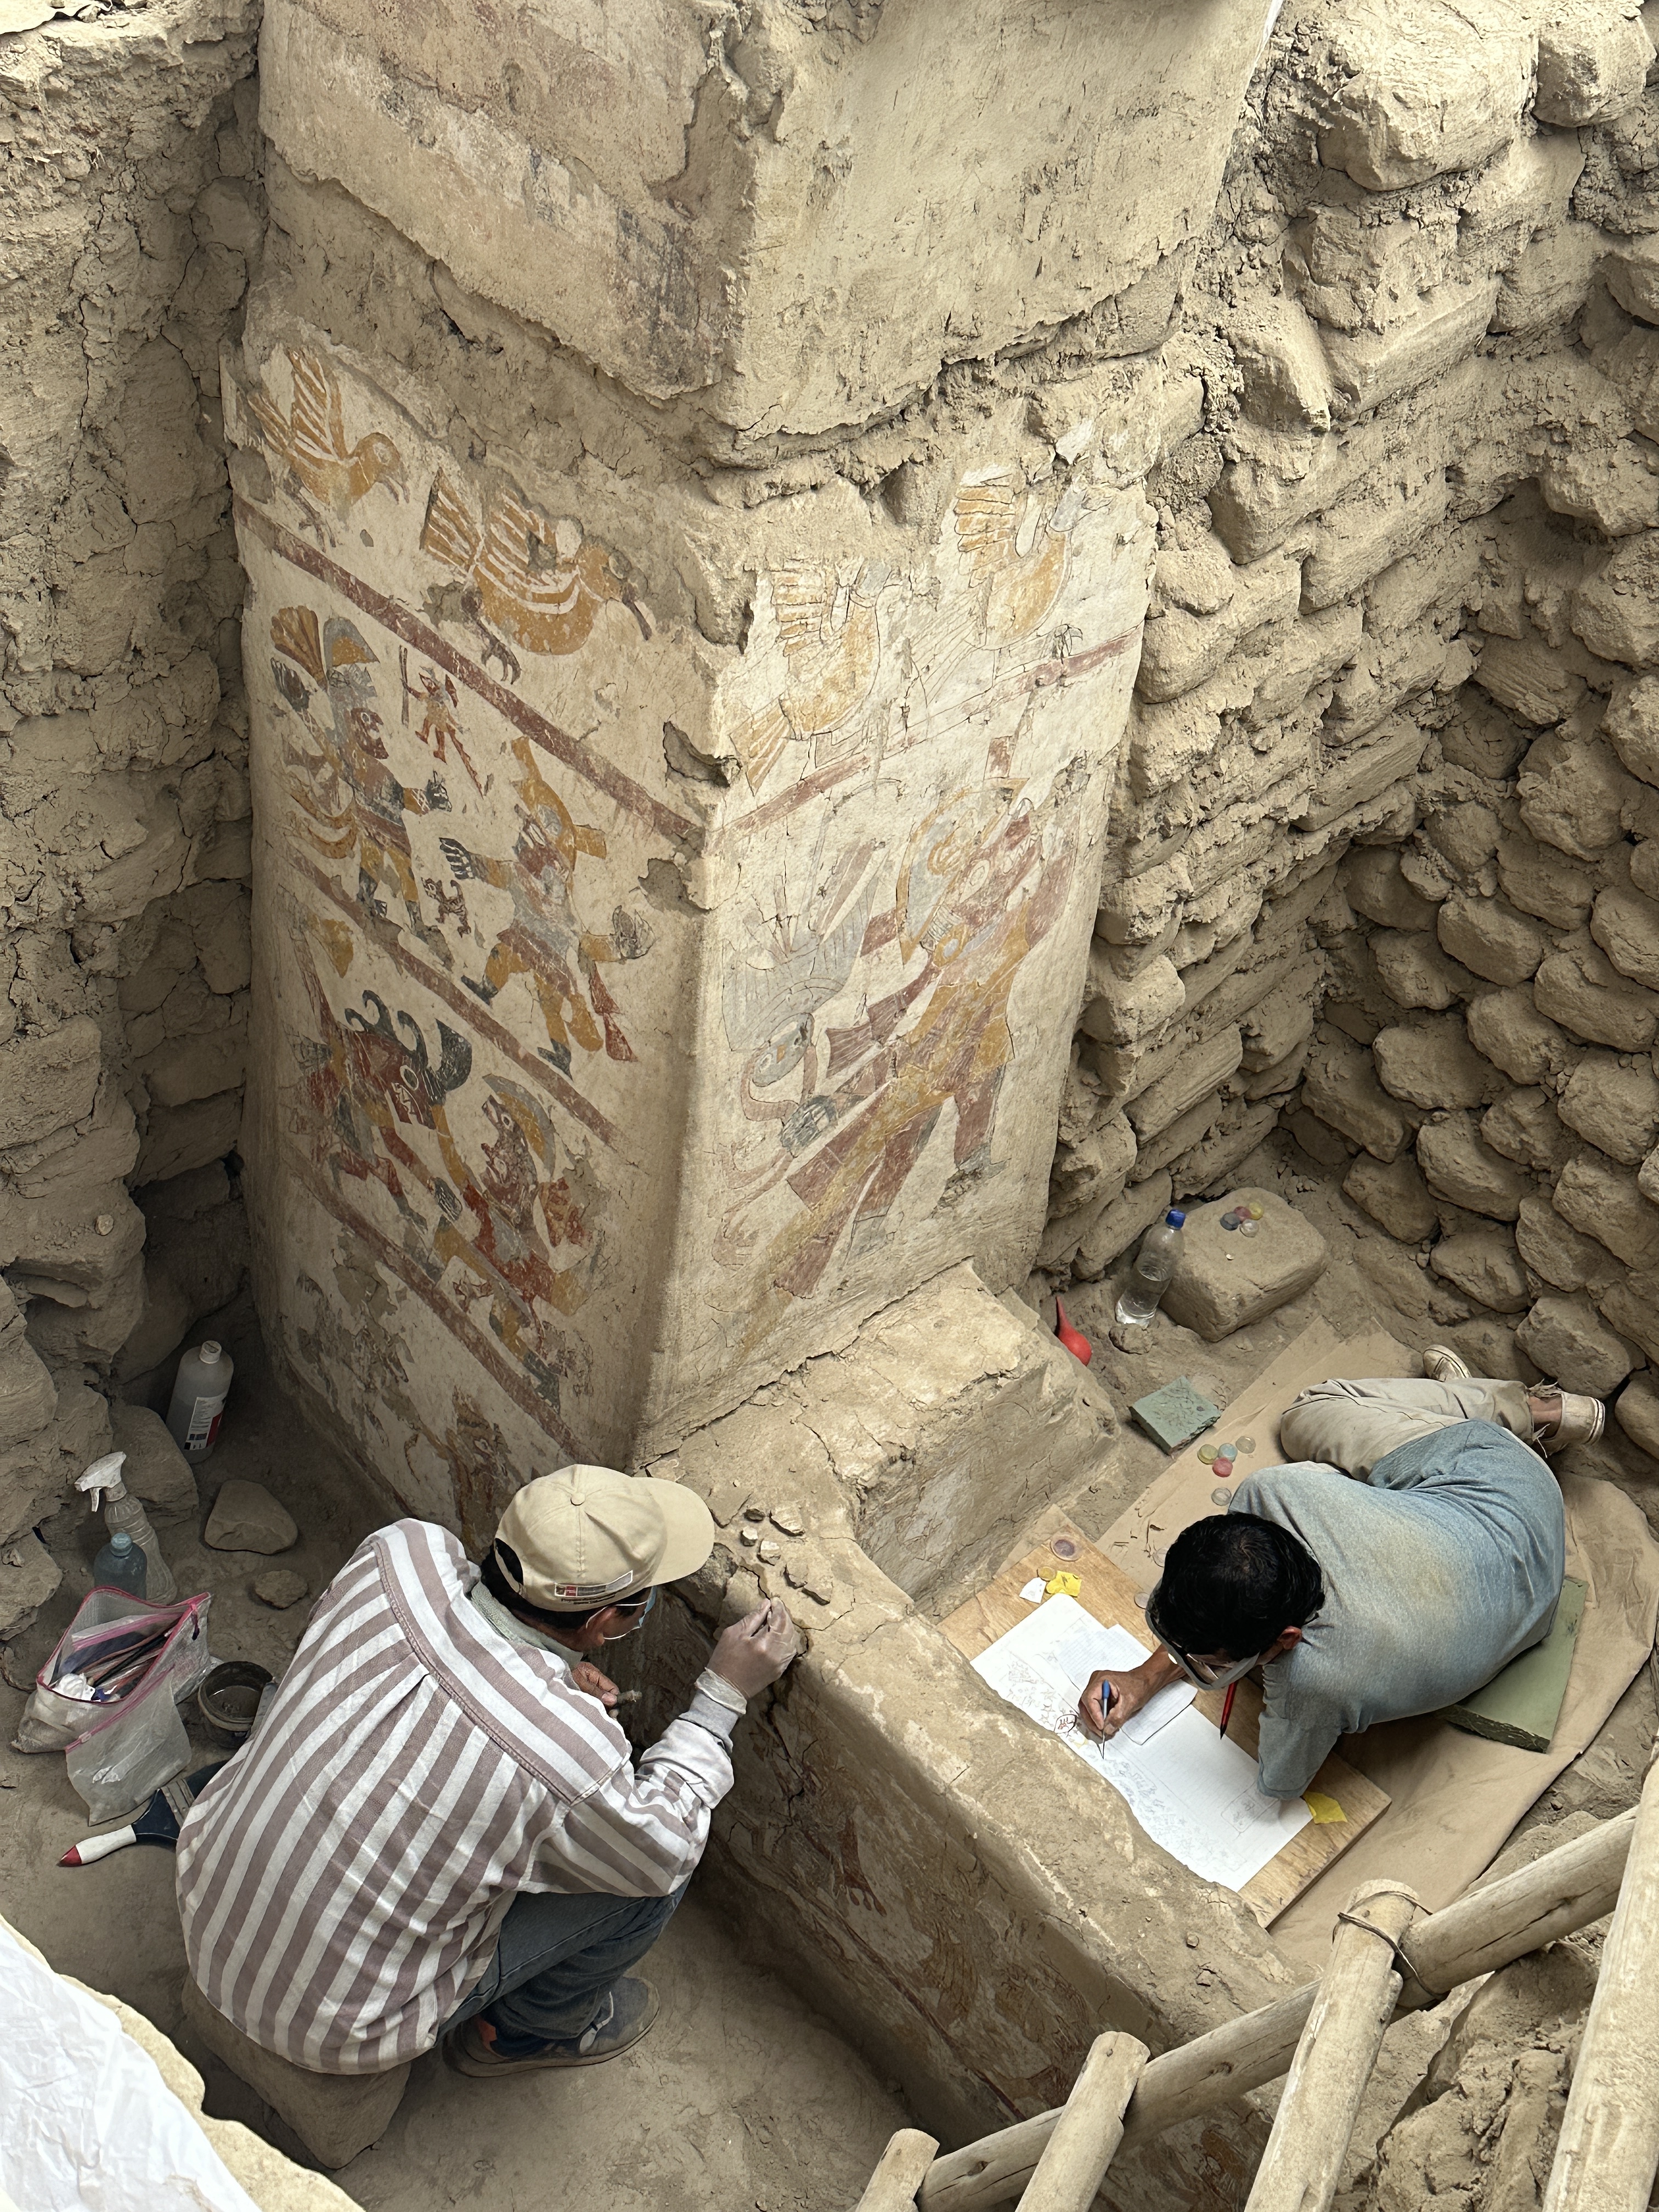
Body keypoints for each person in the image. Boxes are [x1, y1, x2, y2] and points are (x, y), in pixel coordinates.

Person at [176, 1465, 797, 2079]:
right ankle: (527, 2033)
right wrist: (721, 1695)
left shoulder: (398, 1553)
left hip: (205, 1901)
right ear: (606, 1623)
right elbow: (666, 1847)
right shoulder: (568, 1752)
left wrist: (550, 1675)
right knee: (654, 1879)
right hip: (341, 2027)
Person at [1077, 1348, 1604, 1799]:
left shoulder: (1316, 1685)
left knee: (1311, 1412)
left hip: (1504, 1478)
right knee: (1315, 1425)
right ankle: (1466, 1409)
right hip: (1514, 1502)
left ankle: (1529, 1410)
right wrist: (1143, 1678)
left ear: (1287, 1639)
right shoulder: (1280, 1493)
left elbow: (1277, 1786)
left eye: (1213, 1665)